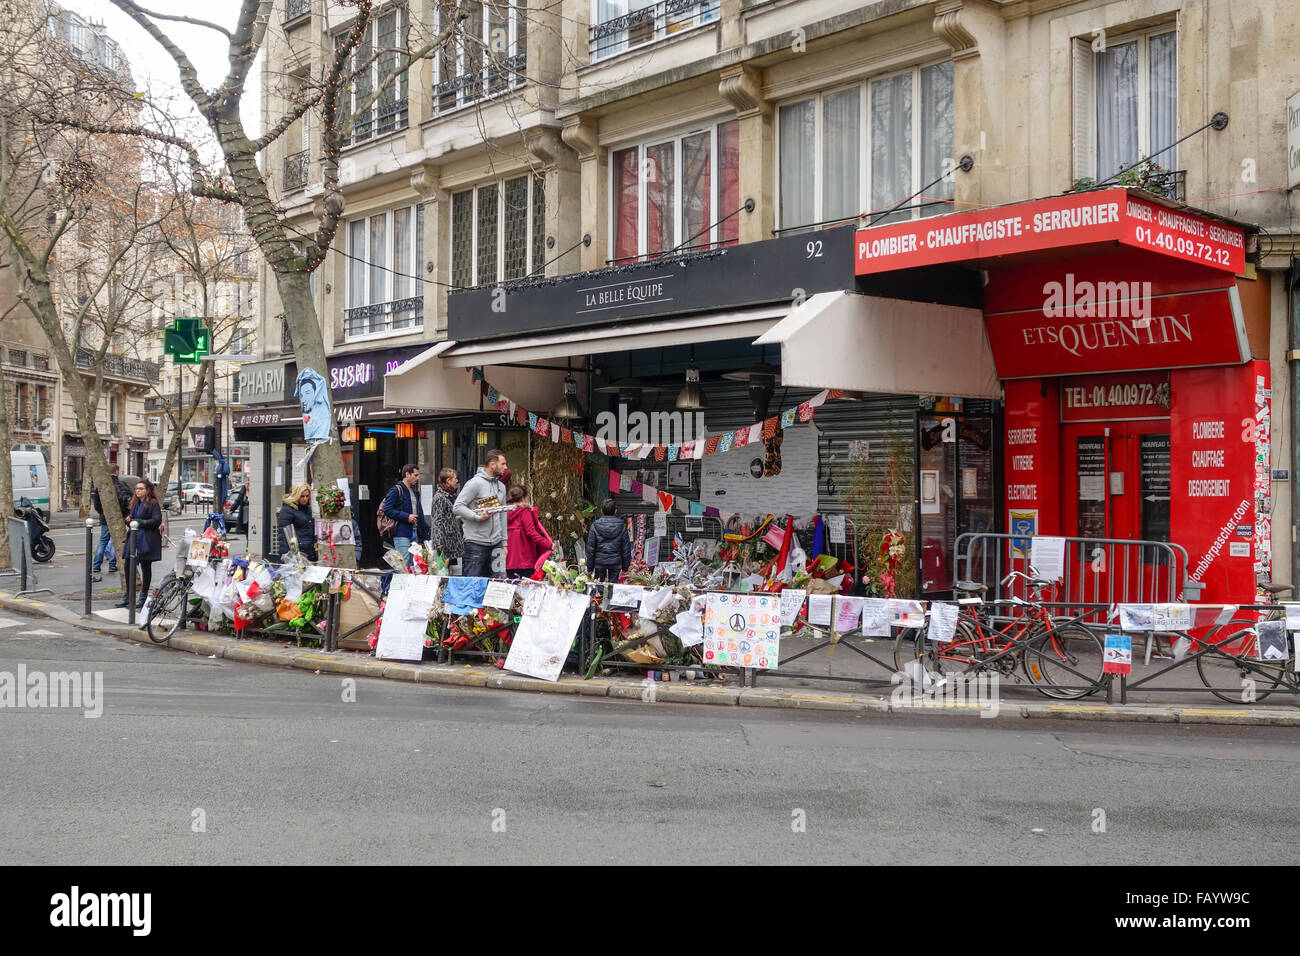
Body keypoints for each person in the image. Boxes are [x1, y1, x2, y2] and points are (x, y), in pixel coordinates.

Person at [453, 449, 509, 578]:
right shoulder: (475, 483)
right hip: (475, 543)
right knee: (472, 583)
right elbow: (457, 507)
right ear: (492, 464)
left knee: (499, 582)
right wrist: (478, 517)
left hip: (497, 543)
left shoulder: (502, 486)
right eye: (503, 464)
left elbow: (502, 515)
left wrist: (504, 542)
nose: (505, 467)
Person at [118, 479, 162, 609]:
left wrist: (138, 522)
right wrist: (129, 521)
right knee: (128, 565)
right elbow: (132, 520)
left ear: (147, 490)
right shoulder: (135, 503)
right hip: (134, 538)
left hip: (146, 539)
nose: (137, 491)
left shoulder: (153, 503)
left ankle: (143, 596)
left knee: (145, 567)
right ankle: (128, 595)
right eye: (137, 488)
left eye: (141, 488)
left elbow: (156, 520)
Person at [381, 463, 429, 567]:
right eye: (415, 475)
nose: (418, 478)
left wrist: (426, 532)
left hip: (415, 532)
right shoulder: (396, 490)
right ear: (407, 474)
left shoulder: (415, 492)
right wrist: (406, 516)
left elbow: (419, 513)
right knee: (404, 563)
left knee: (414, 564)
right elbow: (387, 509)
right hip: (401, 533)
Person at [505, 485, 554, 578]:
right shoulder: (524, 511)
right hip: (524, 559)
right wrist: (549, 544)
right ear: (523, 498)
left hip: (508, 560)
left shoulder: (504, 512)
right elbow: (531, 533)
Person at [90, 464, 127, 579]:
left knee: (103, 540)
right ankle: (112, 564)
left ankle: (96, 565)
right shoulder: (120, 484)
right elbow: (125, 500)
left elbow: (96, 504)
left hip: (105, 517)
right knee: (116, 541)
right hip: (118, 517)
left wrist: (103, 512)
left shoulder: (100, 486)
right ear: (116, 471)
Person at [586, 498, 631, 582]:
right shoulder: (621, 525)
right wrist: (625, 566)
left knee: (599, 589)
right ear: (615, 511)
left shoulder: (595, 526)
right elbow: (626, 548)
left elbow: (590, 549)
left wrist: (590, 567)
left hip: (599, 562)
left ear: (601, 511)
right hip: (615, 563)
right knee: (613, 589)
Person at [429, 467, 464, 574]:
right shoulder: (440, 497)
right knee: (443, 570)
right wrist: (439, 542)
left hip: (452, 541)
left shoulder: (451, 496)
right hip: (445, 542)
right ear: (448, 480)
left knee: (451, 570)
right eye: (455, 478)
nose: (457, 481)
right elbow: (437, 520)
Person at [278, 482, 318, 561]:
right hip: (297, 552)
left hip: (309, 551)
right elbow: (284, 535)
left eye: (307, 496)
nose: (305, 499)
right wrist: (289, 556)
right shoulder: (287, 510)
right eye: (302, 496)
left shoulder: (308, 509)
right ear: (296, 495)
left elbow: (310, 529)